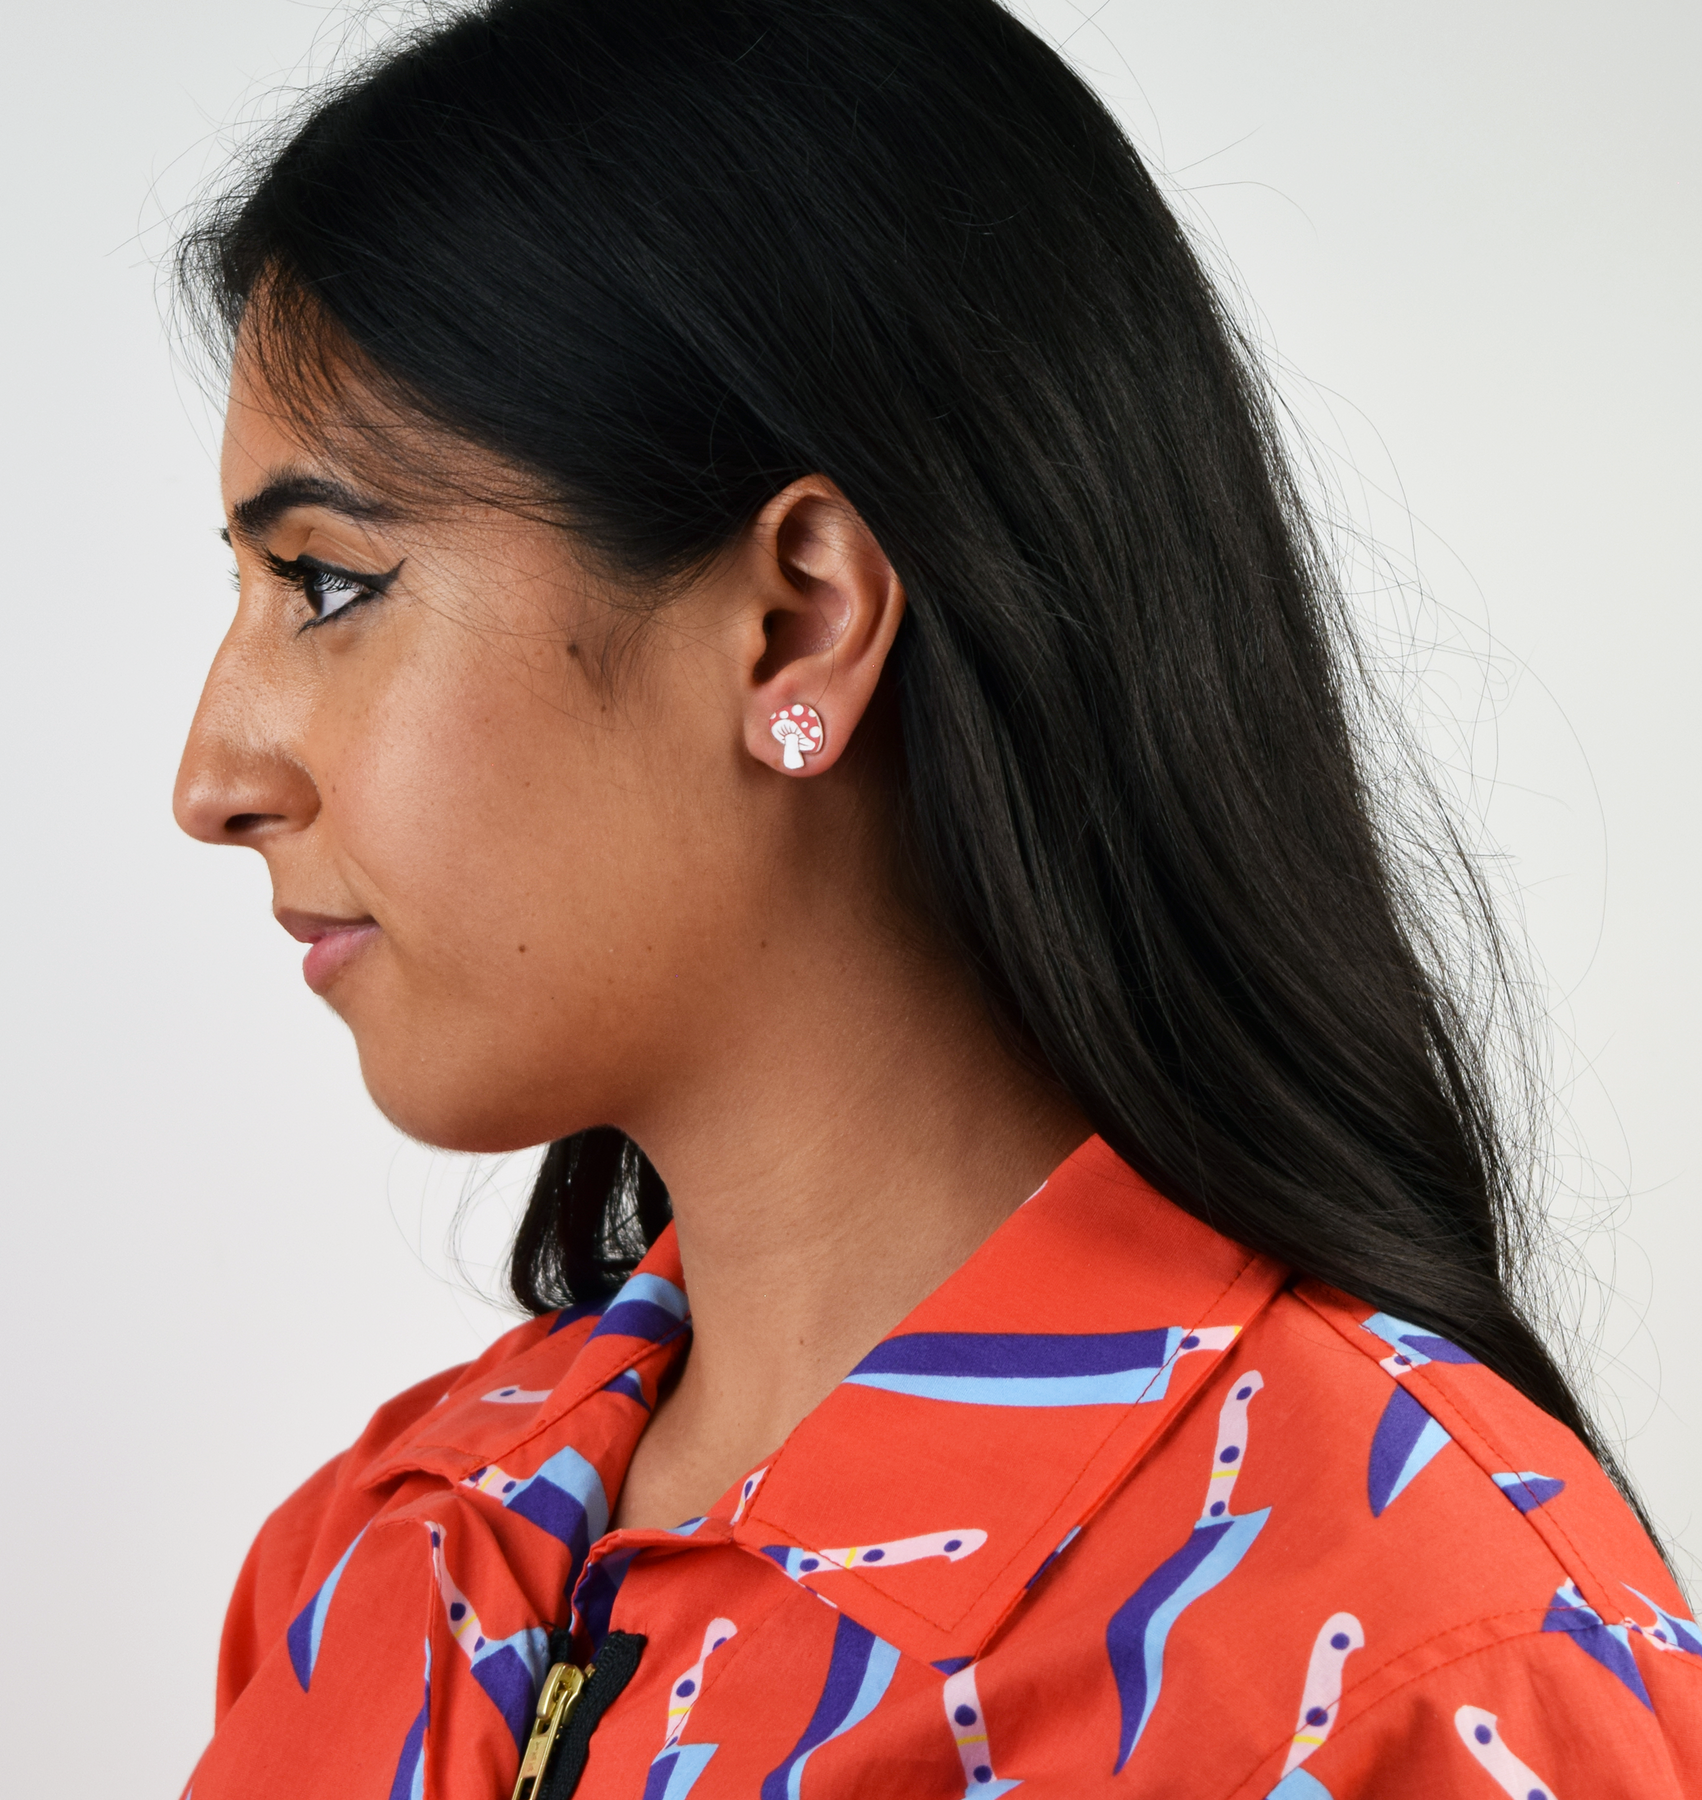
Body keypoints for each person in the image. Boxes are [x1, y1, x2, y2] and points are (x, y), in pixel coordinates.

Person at [169, 1, 1700, 1794]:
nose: (213, 776)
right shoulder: (374, 1561)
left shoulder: (1417, 1665)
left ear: (797, 621)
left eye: (328, 584)